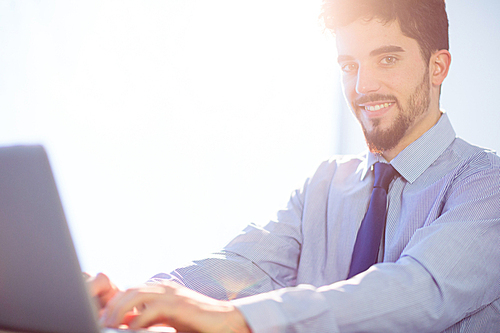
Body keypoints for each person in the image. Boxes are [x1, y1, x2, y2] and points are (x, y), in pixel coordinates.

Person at [88, 0, 500, 332]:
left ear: (438, 66)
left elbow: (418, 291)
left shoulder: (485, 183)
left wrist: (237, 319)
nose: (363, 86)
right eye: (349, 65)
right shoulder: (325, 183)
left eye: (387, 59)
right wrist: (140, 298)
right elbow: (245, 269)